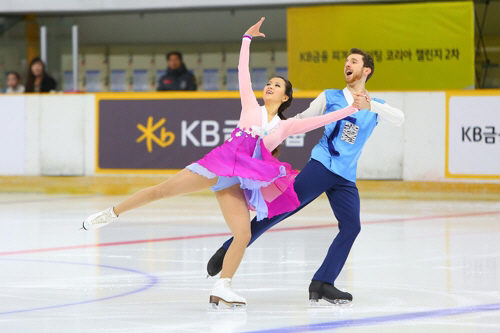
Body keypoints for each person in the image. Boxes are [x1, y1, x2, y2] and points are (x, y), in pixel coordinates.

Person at [82, 18, 358, 308]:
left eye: (276, 85)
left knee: (243, 233)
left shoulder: (283, 127)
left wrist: (352, 108)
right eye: (268, 83)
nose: (269, 86)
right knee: (161, 191)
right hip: (218, 166)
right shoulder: (250, 105)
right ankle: (110, 213)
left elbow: (321, 119)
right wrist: (246, 40)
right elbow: (243, 71)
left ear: (286, 96)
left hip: (237, 180)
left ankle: (223, 286)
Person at [206, 47, 405, 305]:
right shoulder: (330, 96)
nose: (347, 64)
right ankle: (228, 249)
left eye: (353, 61)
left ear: (366, 70)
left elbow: (399, 119)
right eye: (346, 61)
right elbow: (300, 120)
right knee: (280, 210)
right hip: (322, 166)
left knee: (352, 226)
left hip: (345, 177)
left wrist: (371, 104)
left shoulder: (376, 107)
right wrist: (268, 136)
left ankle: (322, 282)